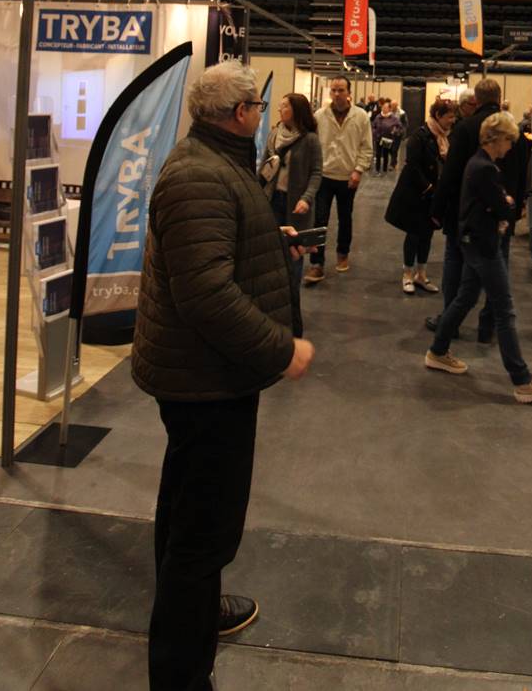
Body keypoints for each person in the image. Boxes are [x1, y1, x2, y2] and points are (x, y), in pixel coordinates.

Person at [132, 61, 315, 691]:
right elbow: (206, 295)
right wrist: (280, 349)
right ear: (239, 113)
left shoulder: (216, 163)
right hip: (205, 381)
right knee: (202, 531)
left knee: (188, 505)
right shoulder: (199, 174)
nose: (263, 115)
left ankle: (198, 611)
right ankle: (181, 671)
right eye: (258, 108)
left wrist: (273, 240)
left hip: (207, 376)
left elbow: (218, 249)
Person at [423, 112, 532, 404]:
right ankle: (522, 380)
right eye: (508, 140)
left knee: (465, 299)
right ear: (496, 139)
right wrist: (504, 205)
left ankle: (437, 350)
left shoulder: (478, 164)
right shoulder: (485, 169)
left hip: (473, 242)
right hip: (484, 245)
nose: (510, 147)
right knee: (504, 310)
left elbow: (497, 206)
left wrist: (501, 205)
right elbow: (505, 210)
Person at [425, 77, 503, 335]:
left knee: (455, 262)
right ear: (499, 97)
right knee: (496, 269)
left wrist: (437, 209)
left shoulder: (465, 128)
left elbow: (451, 172)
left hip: (463, 209)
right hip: (498, 211)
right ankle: (487, 326)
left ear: (476, 100)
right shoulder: (510, 129)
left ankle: (450, 322)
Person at [259, 92, 323, 332]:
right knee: (272, 254)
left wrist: (307, 198)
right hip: (272, 200)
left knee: (294, 258)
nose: (279, 109)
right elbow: (264, 166)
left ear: (296, 110)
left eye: (284, 106)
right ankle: (273, 309)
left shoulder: (310, 140)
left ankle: (292, 313)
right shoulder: (274, 134)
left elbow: (316, 173)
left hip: (296, 207)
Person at [305, 75, 373, 281]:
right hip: (324, 176)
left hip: (348, 177)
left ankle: (343, 254)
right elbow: (312, 145)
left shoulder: (361, 116)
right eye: (333, 90)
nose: (336, 94)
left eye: (341, 90)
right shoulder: (319, 115)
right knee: (319, 219)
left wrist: (358, 170)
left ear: (349, 92)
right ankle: (317, 263)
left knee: (345, 218)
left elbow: (366, 147)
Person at [385, 97, 456, 292]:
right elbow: (413, 167)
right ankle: (407, 274)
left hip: (433, 195)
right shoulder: (420, 136)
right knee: (414, 234)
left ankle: (421, 274)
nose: (453, 120)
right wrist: (429, 188)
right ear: (438, 115)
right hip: (416, 194)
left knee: (427, 234)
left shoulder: (444, 137)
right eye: (450, 117)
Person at [372, 98, 402, 175]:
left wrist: (394, 131)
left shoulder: (393, 118)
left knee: (385, 154)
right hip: (378, 138)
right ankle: (377, 169)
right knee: (378, 154)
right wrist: (374, 133)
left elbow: (399, 127)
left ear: (389, 109)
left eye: (386, 108)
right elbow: (374, 126)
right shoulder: (378, 116)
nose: (384, 109)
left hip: (387, 139)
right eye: (383, 107)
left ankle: (385, 169)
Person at [390, 101, 408, 169]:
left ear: (396, 105)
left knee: (395, 149)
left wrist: (402, 131)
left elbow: (405, 124)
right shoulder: (389, 112)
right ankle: (394, 161)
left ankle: (393, 164)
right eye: (391, 105)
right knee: (390, 148)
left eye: (393, 105)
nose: (392, 106)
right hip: (390, 133)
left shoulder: (402, 113)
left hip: (398, 134)